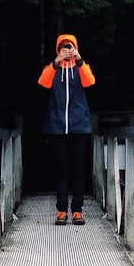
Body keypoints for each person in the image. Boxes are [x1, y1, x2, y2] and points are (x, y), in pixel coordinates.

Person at [38, 33, 95, 225]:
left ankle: (77, 211)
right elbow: (43, 82)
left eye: (70, 47)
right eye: (63, 47)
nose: (67, 50)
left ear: (75, 48)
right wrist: (56, 61)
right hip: (56, 126)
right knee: (61, 169)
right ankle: (61, 211)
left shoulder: (81, 68)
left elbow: (90, 81)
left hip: (79, 126)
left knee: (78, 169)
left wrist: (79, 61)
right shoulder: (53, 69)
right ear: (58, 49)